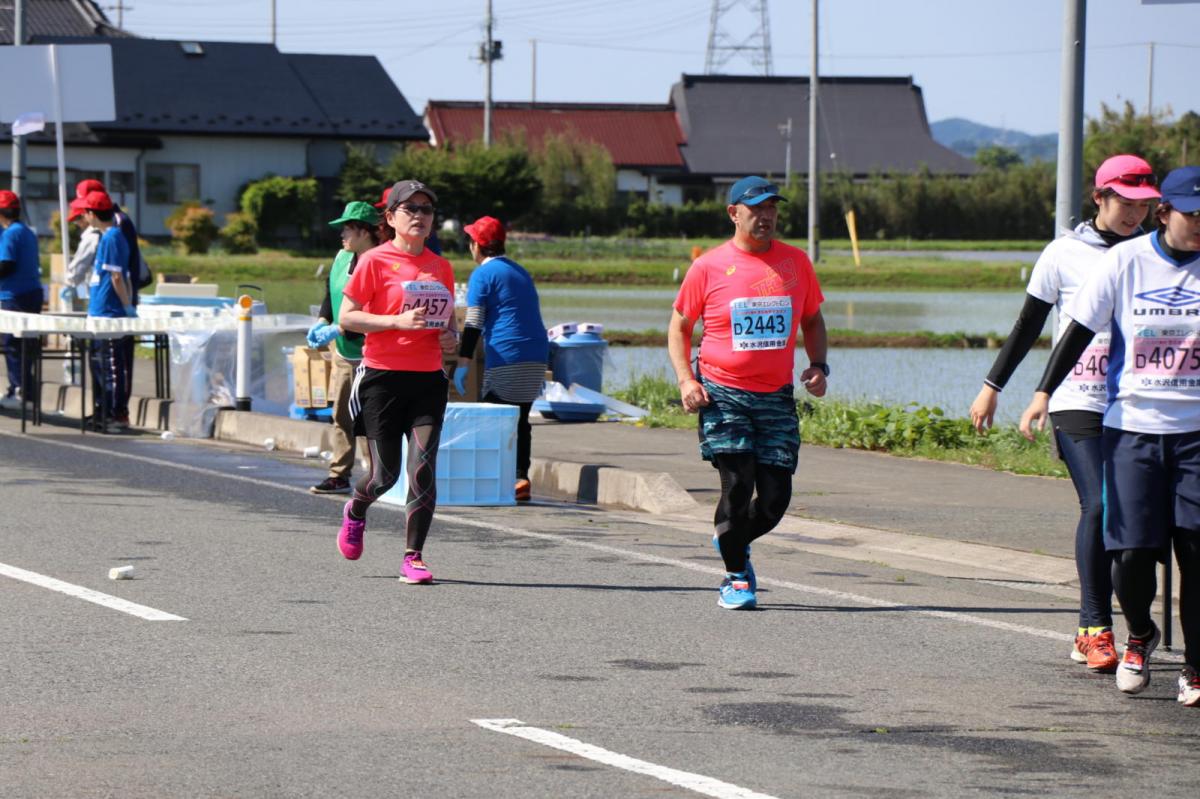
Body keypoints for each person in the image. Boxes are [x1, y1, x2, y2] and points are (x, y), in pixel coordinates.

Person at [970, 154, 1160, 673]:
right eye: (1125, 203)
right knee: (1098, 505)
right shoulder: (1063, 253)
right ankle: (1093, 628)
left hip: (1136, 404)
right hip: (1076, 399)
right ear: (1099, 198)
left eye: (1143, 205)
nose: (1134, 214)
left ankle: (1138, 626)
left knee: (1137, 518)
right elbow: (1028, 325)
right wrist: (992, 387)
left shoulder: (1152, 253)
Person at [1019, 166, 1200, 708]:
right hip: (1131, 429)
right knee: (1132, 555)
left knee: (1195, 551)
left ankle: (1194, 666)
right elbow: (1075, 331)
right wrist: (1042, 393)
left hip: (1195, 434)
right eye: (1192, 215)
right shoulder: (1125, 262)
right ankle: (1139, 633)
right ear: (1166, 214)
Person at [667, 176, 828, 610]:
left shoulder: (796, 263)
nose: (766, 216)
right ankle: (736, 577)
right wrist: (686, 380)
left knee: (775, 500)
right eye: (756, 208)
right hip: (723, 394)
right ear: (734, 213)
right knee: (737, 485)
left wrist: (818, 365)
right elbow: (680, 327)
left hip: (775, 397)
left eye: (772, 208)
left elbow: (812, 319)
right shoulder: (708, 267)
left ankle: (731, 537)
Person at [337, 179, 458, 584]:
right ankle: (356, 509)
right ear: (390, 217)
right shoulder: (373, 261)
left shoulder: (441, 266)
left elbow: (449, 325)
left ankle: (413, 557)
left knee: (422, 468)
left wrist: (449, 338)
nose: (420, 216)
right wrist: (396, 322)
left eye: (427, 209)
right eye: (411, 209)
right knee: (384, 476)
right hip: (382, 378)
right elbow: (347, 317)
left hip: (428, 379)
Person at [455, 216, 549, 502]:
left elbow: (473, 321)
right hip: (536, 355)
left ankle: (494, 479)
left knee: (494, 419)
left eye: (471, 241)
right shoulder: (519, 271)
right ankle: (520, 478)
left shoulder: (483, 274)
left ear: (477, 245)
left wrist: (463, 362)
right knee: (520, 418)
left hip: (507, 354)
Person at [306, 201, 380, 494]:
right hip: (343, 351)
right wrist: (322, 320)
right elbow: (331, 291)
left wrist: (339, 327)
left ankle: (378, 477)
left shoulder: (379, 262)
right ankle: (339, 474)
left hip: (372, 353)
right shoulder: (342, 257)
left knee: (370, 418)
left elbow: (377, 309)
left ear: (364, 231)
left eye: (347, 229)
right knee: (341, 413)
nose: (342, 234)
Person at [76, 179, 144, 423]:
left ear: (93, 214)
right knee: (101, 363)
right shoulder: (107, 236)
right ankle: (103, 411)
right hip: (100, 308)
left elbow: (119, 276)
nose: (84, 217)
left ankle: (116, 413)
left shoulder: (114, 236)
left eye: (85, 212)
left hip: (110, 311)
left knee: (113, 366)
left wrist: (126, 306)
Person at [0, 190, 43, 409]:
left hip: (14, 295)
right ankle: (27, 391)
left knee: (12, 344)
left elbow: (7, 264)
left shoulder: (9, 234)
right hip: (33, 292)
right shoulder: (27, 231)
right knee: (28, 344)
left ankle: (19, 390)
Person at [61, 198, 101, 311]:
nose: (76, 224)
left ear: (85, 216)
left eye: (76, 219)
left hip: (97, 291)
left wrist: (69, 283)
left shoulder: (91, 237)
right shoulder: (104, 232)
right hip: (94, 288)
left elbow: (79, 268)